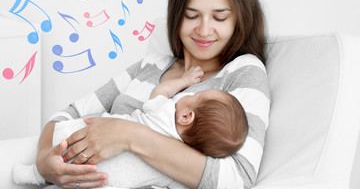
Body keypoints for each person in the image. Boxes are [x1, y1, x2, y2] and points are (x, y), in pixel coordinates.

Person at [36, 0, 270, 188]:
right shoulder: (151, 64)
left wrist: (128, 135)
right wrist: (44, 162)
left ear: (238, 19)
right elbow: (67, 115)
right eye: (192, 15)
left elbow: (237, 178)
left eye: (219, 18)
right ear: (177, 15)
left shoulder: (244, 70)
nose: (204, 29)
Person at [14, 66, 248, 188]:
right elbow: (71, 110)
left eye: (197, 94)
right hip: (112, 177)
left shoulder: (167, 108)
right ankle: (40, 170)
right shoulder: (184, 157)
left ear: (187, 115)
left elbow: (159, 92)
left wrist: (184, 82)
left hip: (78, 142)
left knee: (67, 137)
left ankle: (32, 174)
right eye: (192, 14)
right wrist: (44, 157)